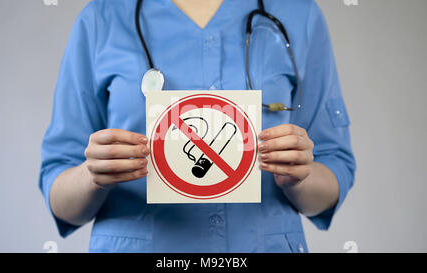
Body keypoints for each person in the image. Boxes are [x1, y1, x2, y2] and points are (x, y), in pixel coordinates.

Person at [39, 0, 355, 252]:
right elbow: (62, 196)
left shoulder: (298, 14)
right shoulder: (102, 17)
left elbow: (333, 169)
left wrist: (300, 176)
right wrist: (91, 175)